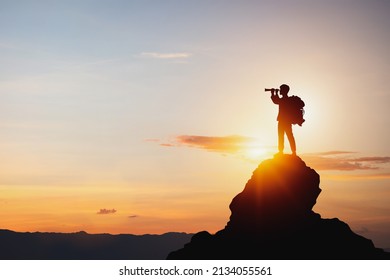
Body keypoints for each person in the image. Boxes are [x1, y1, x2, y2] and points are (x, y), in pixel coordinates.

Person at [270, 84, 297, 155]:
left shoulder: (286, 100)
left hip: (284, 121)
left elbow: (276, 101)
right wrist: (274, 93)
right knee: (286, 136)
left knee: (286, 136)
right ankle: (291, 151)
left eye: (281, 89)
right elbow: (277, 100)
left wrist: (273, 93)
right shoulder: (286, 100)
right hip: (285, 121)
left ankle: (286, 151)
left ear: (285, 91)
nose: (280, 91)